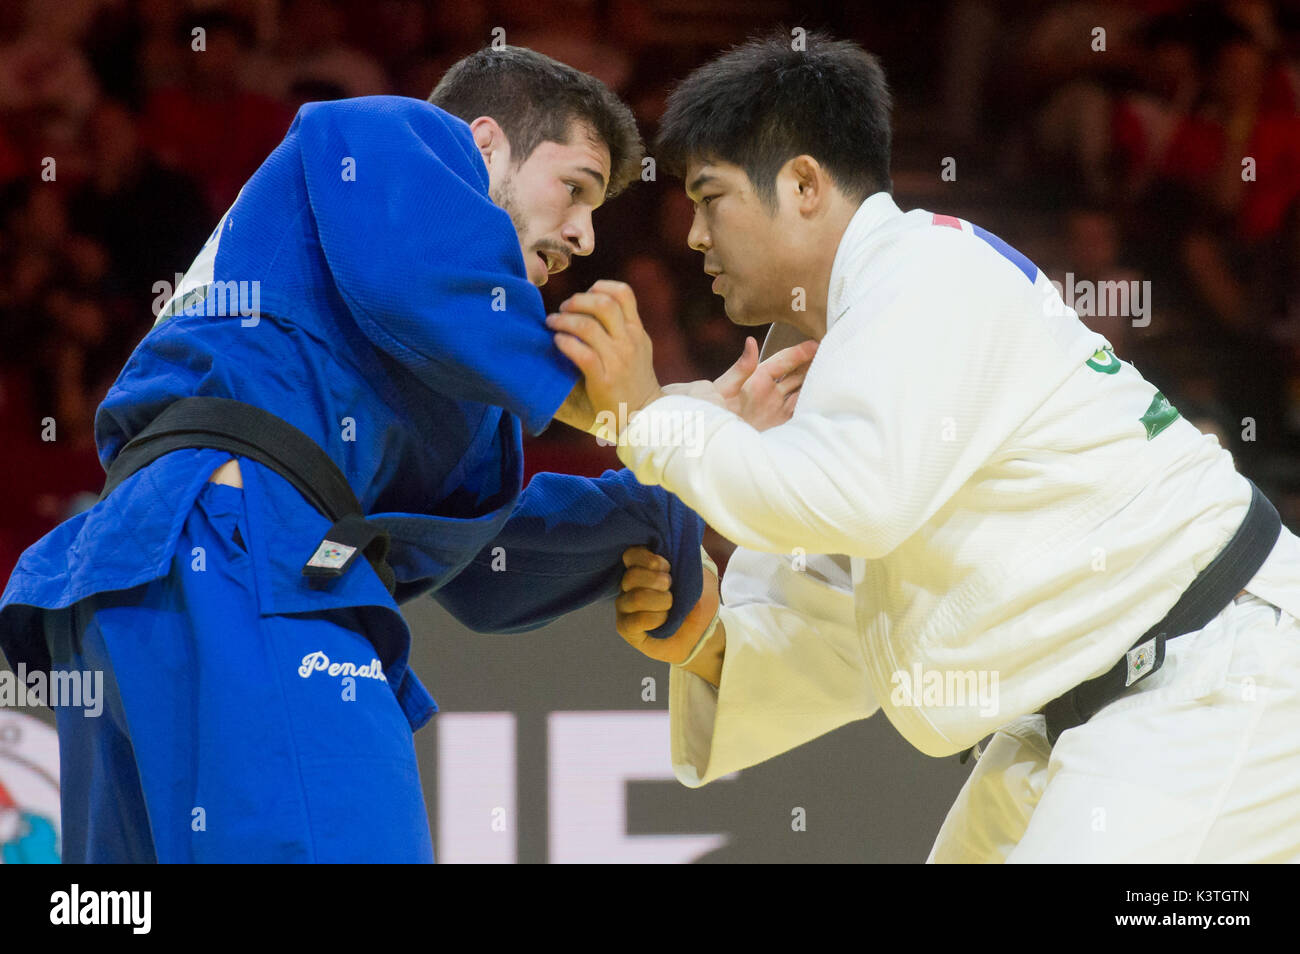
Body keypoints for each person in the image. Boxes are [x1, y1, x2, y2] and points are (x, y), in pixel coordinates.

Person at [550, 31, 1300, 862]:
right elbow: (847, 615)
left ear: (803, 183)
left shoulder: (924, 276)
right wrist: (705, 638)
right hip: (1094, 711)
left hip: (1211, 678)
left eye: (709, 196)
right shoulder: (839, 338)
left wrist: (645, 415)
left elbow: (852, 506)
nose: (693, 235)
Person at [0, 45, 733, 864]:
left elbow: (475, 556)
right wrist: (641, 409)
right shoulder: (394, 133)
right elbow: (417, 284)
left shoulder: (419, 354)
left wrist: (658, 513)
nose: (584, 236)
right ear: (484, 145)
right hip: (237, 547)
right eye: (575, 189)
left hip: (143, 580)